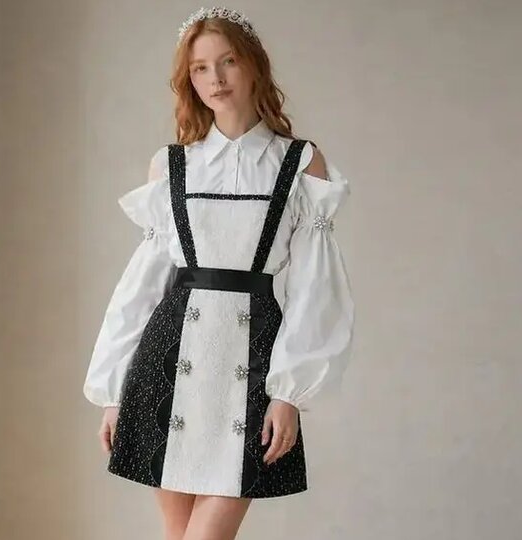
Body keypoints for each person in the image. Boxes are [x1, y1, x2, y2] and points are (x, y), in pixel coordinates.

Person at [82, 6, 355, 539]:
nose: (216, 78)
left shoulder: (300, 163)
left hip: (251, 364)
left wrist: (288, 394)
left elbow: (315, 288)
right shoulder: (172, 165)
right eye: (201, 68)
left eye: (227, 61)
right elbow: (142, 286)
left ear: (253, 65)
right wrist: (114, 390)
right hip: (167, 362)